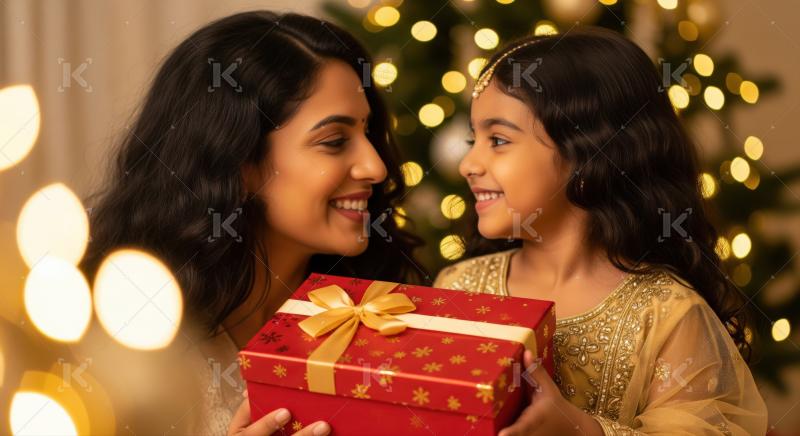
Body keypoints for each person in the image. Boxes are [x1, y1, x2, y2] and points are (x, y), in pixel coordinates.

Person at [80, 11, 424, 435]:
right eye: (334, 141)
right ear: (239, 164)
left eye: (369, 133)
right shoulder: (131, 341)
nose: (375, 166)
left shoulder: (382, 314)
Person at [434, 27, 768, 435]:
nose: (468, 163)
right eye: (474, 138)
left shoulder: (667, 314)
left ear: (588, 154)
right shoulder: (458, 287)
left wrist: (580, 429)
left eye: (498, 140)